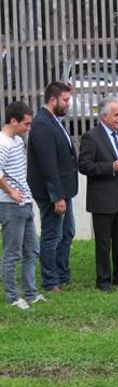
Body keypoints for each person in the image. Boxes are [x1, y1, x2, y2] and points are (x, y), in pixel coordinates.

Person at [78, 98, 118, 292]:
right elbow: (84, 166)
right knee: (104, 242)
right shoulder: (91, 137)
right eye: (117, 114)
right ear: (105, 116)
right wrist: (110, 168)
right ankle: (103, 280)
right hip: (103, 198)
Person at [27, 81, 78, 292]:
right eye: (65, 100)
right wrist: (57, 196)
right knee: (52, 236)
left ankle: (62, 275)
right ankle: (50, 282)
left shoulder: (54, 121)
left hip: (63, 190)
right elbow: (48, 165)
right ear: (53, 99)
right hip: (52, 193)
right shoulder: (42, 125)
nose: (68, 104)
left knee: (67, 233)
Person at [0, 101, 46, 309]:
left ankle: (31, 293)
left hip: (25, 204)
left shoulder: (18, 141)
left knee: (32, 250)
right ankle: (12, 297)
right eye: (25, 124)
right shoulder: (3, 143)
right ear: (12, 121)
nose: (28, 128)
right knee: (12, 253)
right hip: (10, 206)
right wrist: (10, 191)